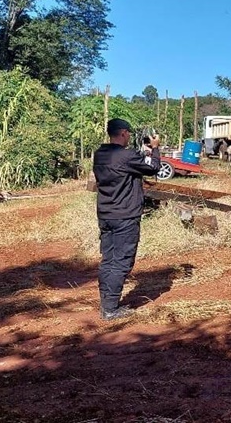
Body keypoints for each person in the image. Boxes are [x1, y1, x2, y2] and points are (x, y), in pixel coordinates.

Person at [93, 118, 161, 320]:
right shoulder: (127, 156)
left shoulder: (100, 154)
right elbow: (154, 167)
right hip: (125, 216)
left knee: (108, 260)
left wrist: (143, 152)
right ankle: (111, 309)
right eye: (128, 133)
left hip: (106, 215)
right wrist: (155, 149)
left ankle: (106, 303)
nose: (129, 136)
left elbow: (133, 164)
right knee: (122, 261)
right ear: (123, 133)